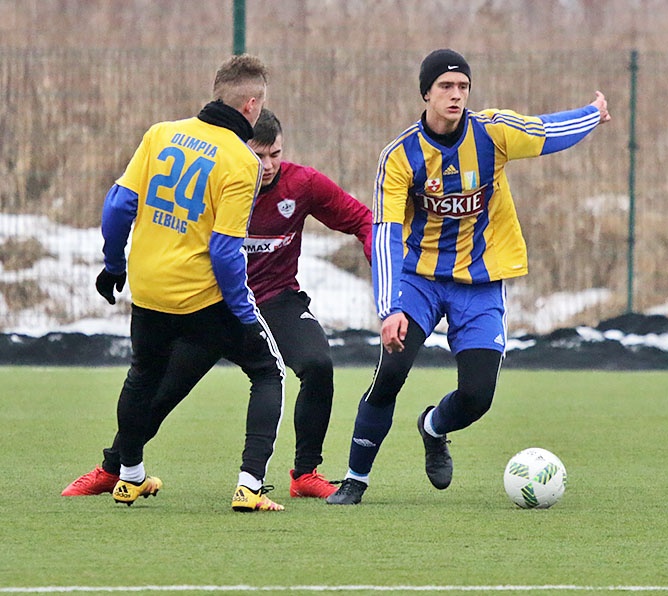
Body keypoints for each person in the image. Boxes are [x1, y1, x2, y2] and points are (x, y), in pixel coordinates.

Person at [326, 49, 611, 505]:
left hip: (479, 283)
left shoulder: (492, 133)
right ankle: (355, 480)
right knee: (391, 372)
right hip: (418, 280)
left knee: (478, 395)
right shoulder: (399, 157)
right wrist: (390, 307)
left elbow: (545, 131)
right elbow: (384, 233)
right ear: (426, 93)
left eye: (463, 87)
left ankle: (433, 427)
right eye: (445, 86)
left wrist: (592, 115)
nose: (456, 95)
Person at [62, 109, 373, 501]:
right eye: (258, 155)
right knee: (160, 391)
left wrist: (375, 253)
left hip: (276, 301)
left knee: (317, 364)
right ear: (239, 150)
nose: (268, 165)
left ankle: (305, 473)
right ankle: (114, 468)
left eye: (275, 154)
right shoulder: (216, 176)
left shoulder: (303, 183)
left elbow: (363, 218)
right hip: (214, 305)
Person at [77, 54, 287, 512]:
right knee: (268, 372)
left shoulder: (161, 133)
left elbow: (117, 208)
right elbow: (225, 249)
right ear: (251, 106)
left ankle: (130, 477)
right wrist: (244, 311)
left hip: (148, 288)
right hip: (200, 298)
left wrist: (114, 266)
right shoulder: (241, 160)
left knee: (142, 376)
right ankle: (249, 487)